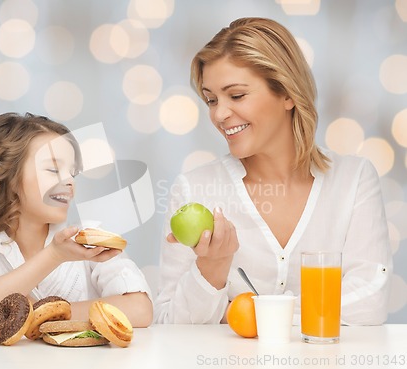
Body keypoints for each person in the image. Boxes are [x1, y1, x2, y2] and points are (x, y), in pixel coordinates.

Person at [154, 17, 392, 325]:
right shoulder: (194, 188)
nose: (219, 114)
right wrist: (212, 268)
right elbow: (168, 322)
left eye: (236, 95)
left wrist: (250, 315)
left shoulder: (354, 179)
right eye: (211, 99)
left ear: (288, 93)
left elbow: (369, 301)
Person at [0, 112, 153, 330]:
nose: (69, 181)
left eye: (72, 173)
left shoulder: (89, 239)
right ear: (9, 178)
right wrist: (54, 255)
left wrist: (42, 312)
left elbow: (140, 309)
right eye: (53, 169)